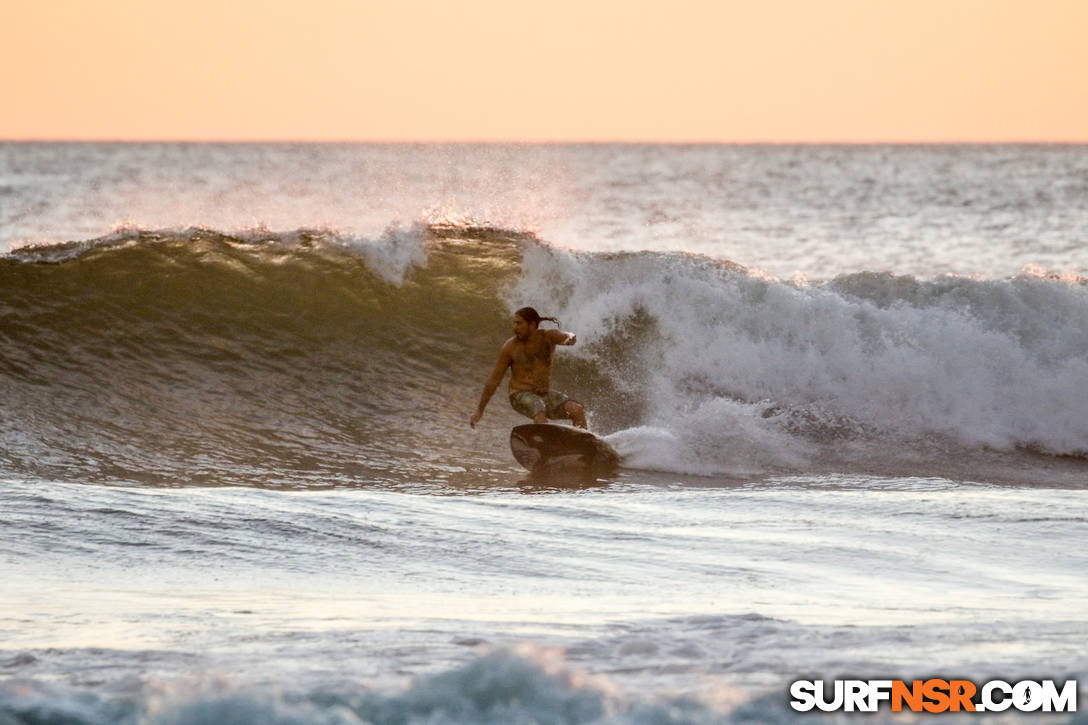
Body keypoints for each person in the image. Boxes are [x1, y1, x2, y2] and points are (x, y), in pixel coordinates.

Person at [469, 307, 588, 430]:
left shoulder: (548, 337)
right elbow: (493, 381)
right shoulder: (510, 347)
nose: (515, 328)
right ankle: (544, 444)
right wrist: (480, 410)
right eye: (514, 323)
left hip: (543, 395)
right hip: (519, 396)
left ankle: (583, 444)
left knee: (577, 409)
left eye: (519, 323)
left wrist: (570, 337)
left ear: (532, 324)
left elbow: (565, 335)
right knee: (539, 408)